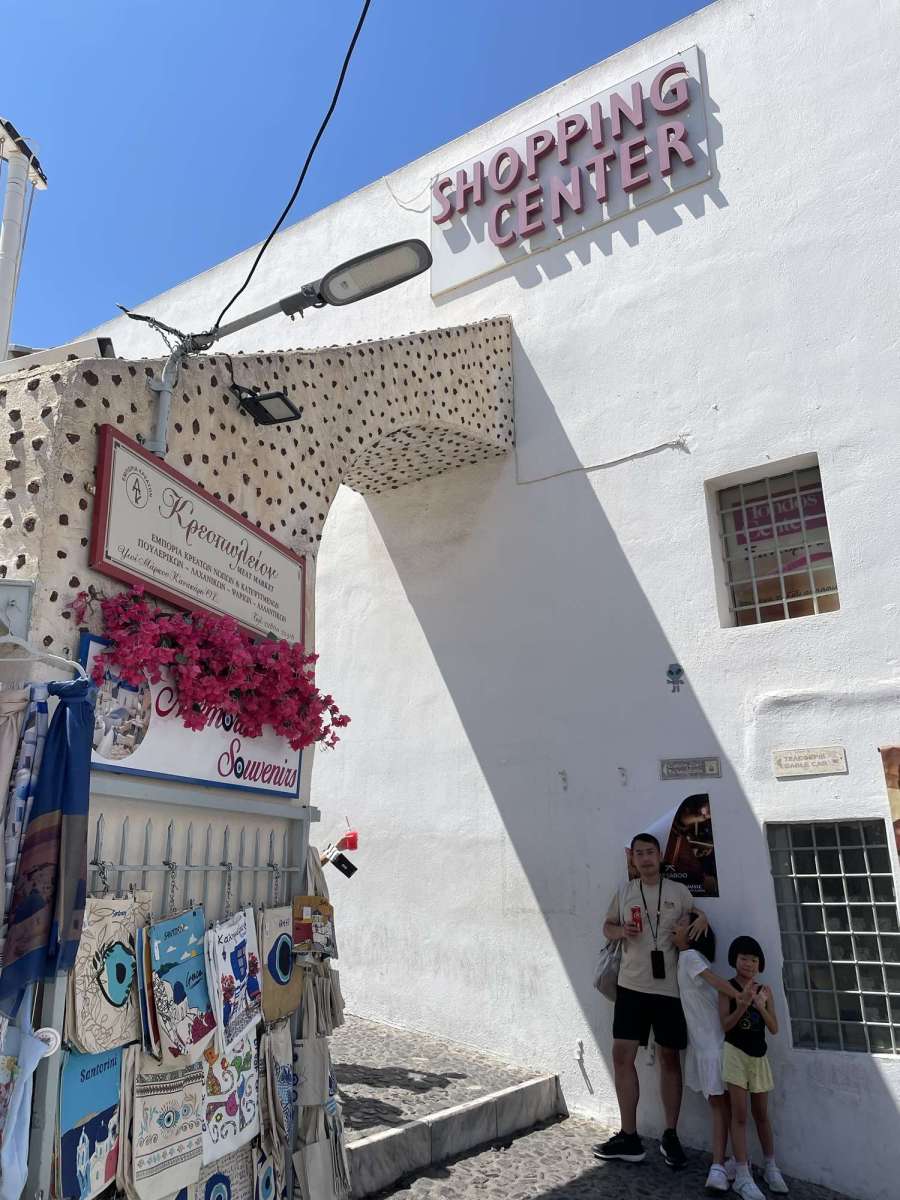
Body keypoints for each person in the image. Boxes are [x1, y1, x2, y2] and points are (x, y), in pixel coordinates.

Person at [596, 832, 708, 1169]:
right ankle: (629, 1136)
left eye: (650, 852)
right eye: (639, 853)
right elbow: (606, 926)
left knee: (669, 1058)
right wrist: (620, 932)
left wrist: (702, 917)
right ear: (632, 859)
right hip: (630, 986)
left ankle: (670, 1135)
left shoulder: (679, 892)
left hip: (668, 989)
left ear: (660, 856)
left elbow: (696, 915)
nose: (645, 858)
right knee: (621, 1056)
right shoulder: (625, 892)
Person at [672, 913, 746, 1193]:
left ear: (692, 933)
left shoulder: (691, 957)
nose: (674, 926)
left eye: (681, 924)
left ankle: (718, 1165)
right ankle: (728, 1162)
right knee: (721, 1106)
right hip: (707, 1044)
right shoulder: (687, 957)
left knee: (719, 1106)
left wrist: (739, 995)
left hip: (712, 1045)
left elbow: (715, 981)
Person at [719, 935, 789, 1199]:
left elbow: (774, 1027)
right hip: (735, 1054)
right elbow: (725, 1025)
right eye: (744, 958)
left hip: (759, 1057)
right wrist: (743, 1004)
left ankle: (770, 1166)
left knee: (761, 1114)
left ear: (760, 964)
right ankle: (742, 1173)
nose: (749, 964)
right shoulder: (727, 988)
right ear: (735, 960)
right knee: (739, 1114)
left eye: (754, 960)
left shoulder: (765, 990)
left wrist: (760, 1005)